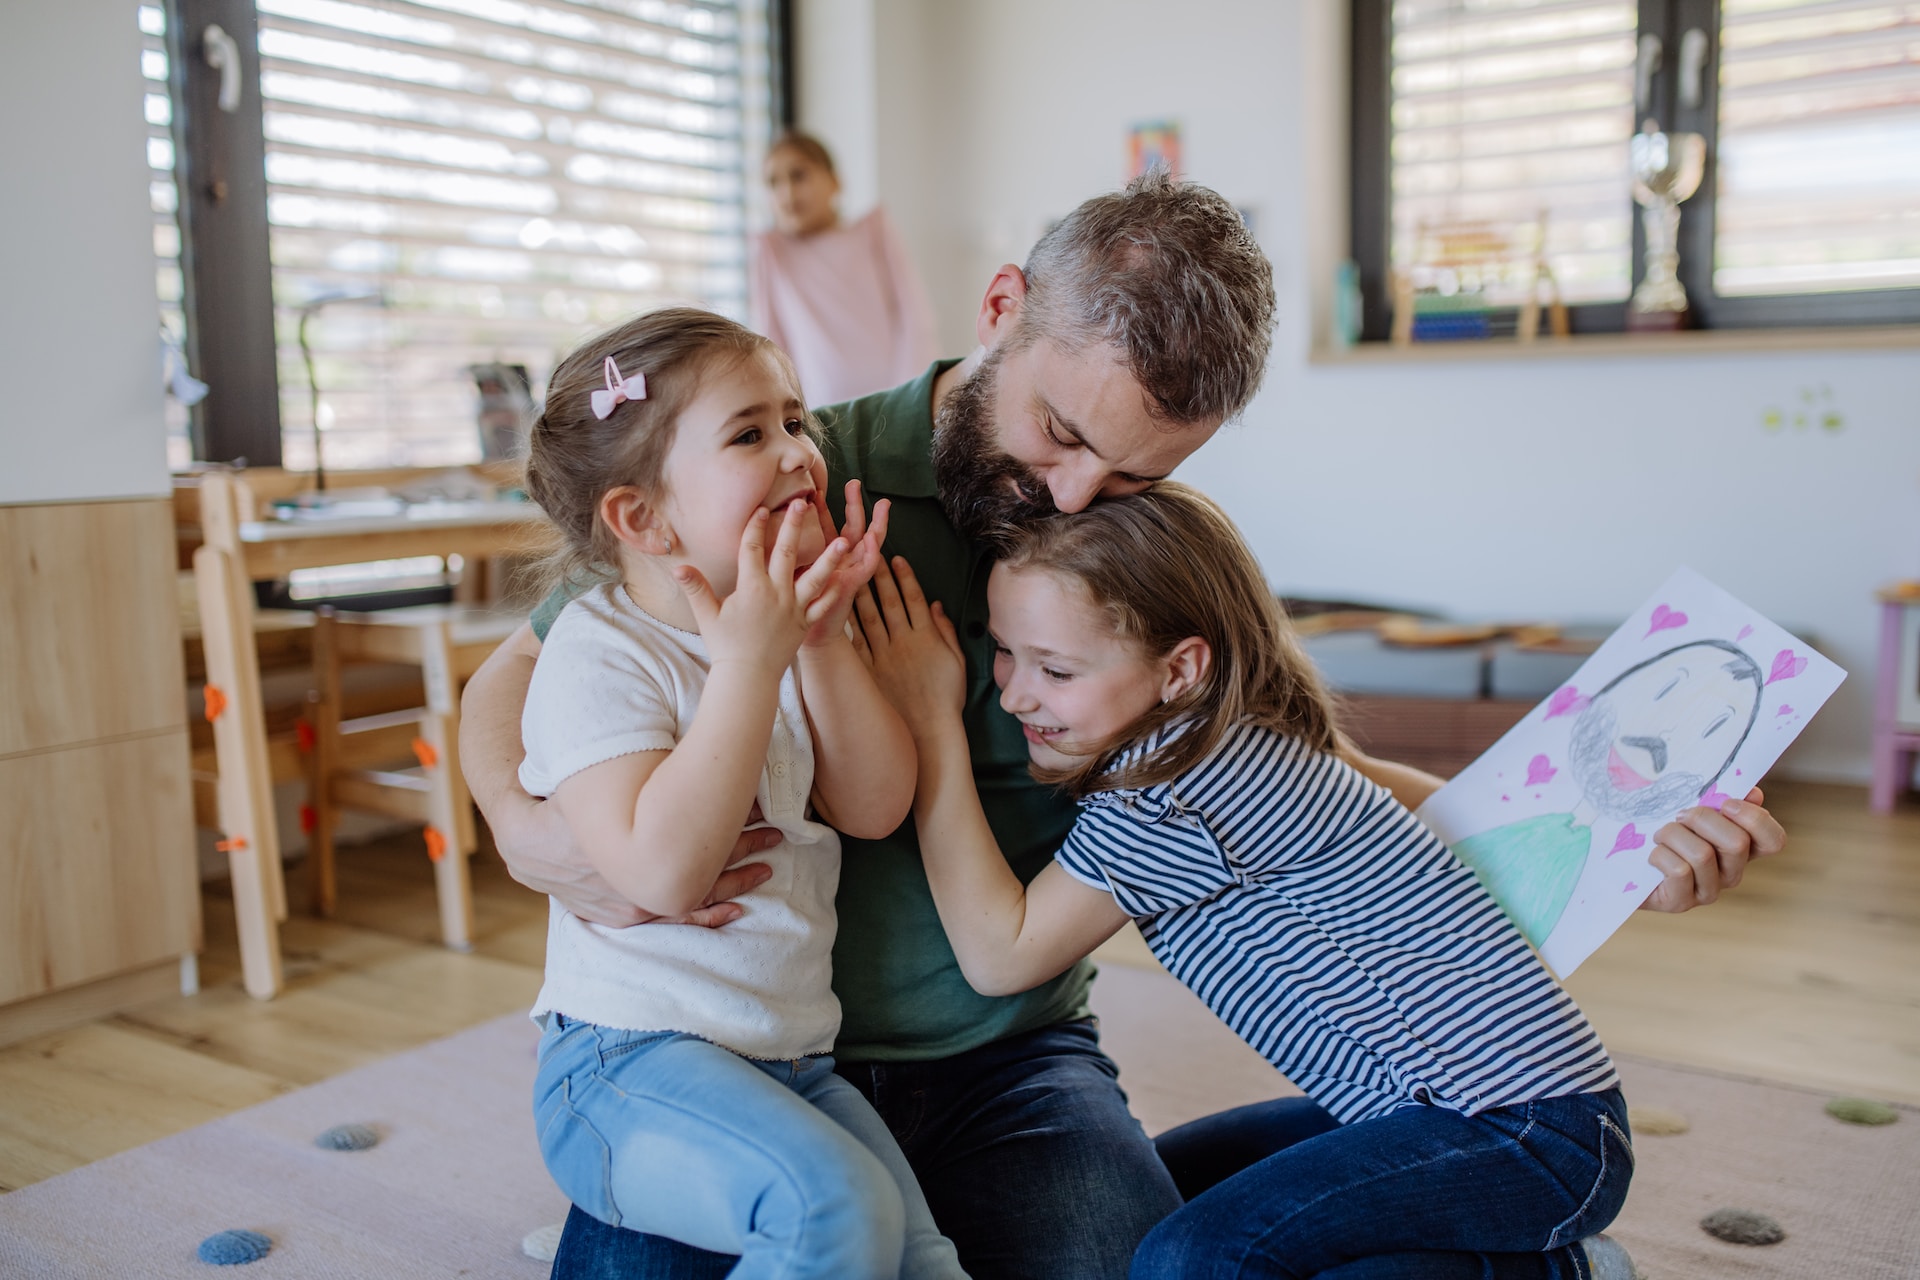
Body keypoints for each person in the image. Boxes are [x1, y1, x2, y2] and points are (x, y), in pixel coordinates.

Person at [460, 173, 1786, 1280]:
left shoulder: (1125, 555)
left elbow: (1302, 773)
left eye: (1139, 470)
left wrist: (1615, 838)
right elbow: (515, 679)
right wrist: (526, 830)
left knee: (1160, 1264)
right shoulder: (791, 482)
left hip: (1009, 1063)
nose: (1074, 493)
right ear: (1001, 311)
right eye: (1058, 431)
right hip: (736, 1054)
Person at [852, 482, 1643, 1279]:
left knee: (1190, 1257)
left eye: (1055, 670)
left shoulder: (1178, 786)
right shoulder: (1223, 739)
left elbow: (1001, 956)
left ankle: (1561, 1273)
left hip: (1525, 1132)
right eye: (1005, 652)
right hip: (1445, 1113)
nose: (1015, 693)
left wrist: (931, 722)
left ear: (1180, 670)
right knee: (1161, 1204)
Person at [516, 307, 966, 1279]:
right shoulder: (601, 652)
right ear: (642, 516)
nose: (799, 452)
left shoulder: (786, 628)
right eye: (750, 434)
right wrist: (751, 666)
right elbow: (665, 871)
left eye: (797, 419)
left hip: (792, 1060)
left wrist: (823, 640)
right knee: (833, 1211)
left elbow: (876, 803)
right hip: (624, 1066)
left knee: (924, 1259)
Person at [751, 131, 939, 405]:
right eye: (773, 183)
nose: (786, 193)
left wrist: (913, 395)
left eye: (798, 175)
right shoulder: (773, 254)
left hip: (897, 398)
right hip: (823, 414)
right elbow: (772, 340)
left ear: (835, 182)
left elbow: (914, 316)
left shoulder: (874, 233)